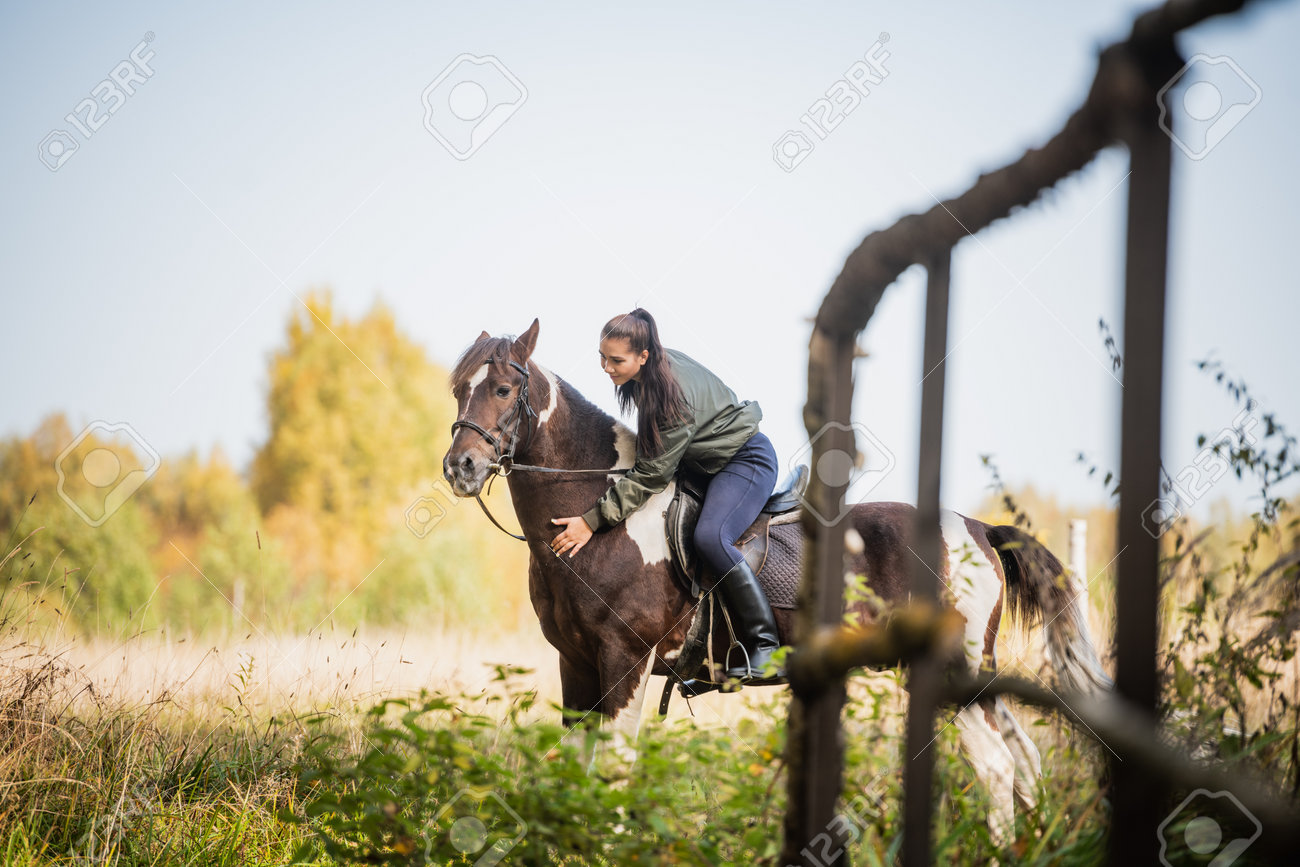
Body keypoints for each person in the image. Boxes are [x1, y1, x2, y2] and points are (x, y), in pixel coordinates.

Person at [550, 308, 782, 681]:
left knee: (709, 537)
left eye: (616, 360)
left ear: (643, 356)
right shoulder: (651, 365)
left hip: (743, 461)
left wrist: (591, 522)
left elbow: (652, 474)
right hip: (701, 461)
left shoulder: (670, 399)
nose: (606, 368)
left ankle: (767, 645)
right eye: (602, 357)